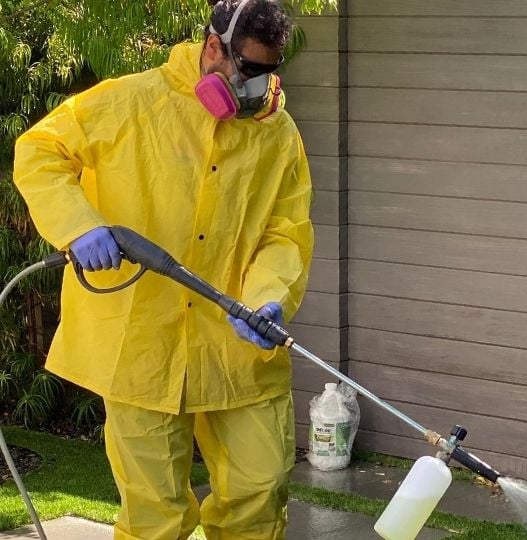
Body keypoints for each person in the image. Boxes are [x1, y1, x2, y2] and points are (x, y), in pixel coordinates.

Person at [12, 1, 313, 538]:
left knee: (260, 489)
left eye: (267, 74)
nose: (255, 89)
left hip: (236, 347)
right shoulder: (131, 101)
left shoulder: (278, 132)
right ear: (213, 47)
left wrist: (270, 295)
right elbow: (39, 150)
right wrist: (79, 225)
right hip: (142, 344)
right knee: (155, 512)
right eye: (246, 71)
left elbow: (284, 231)